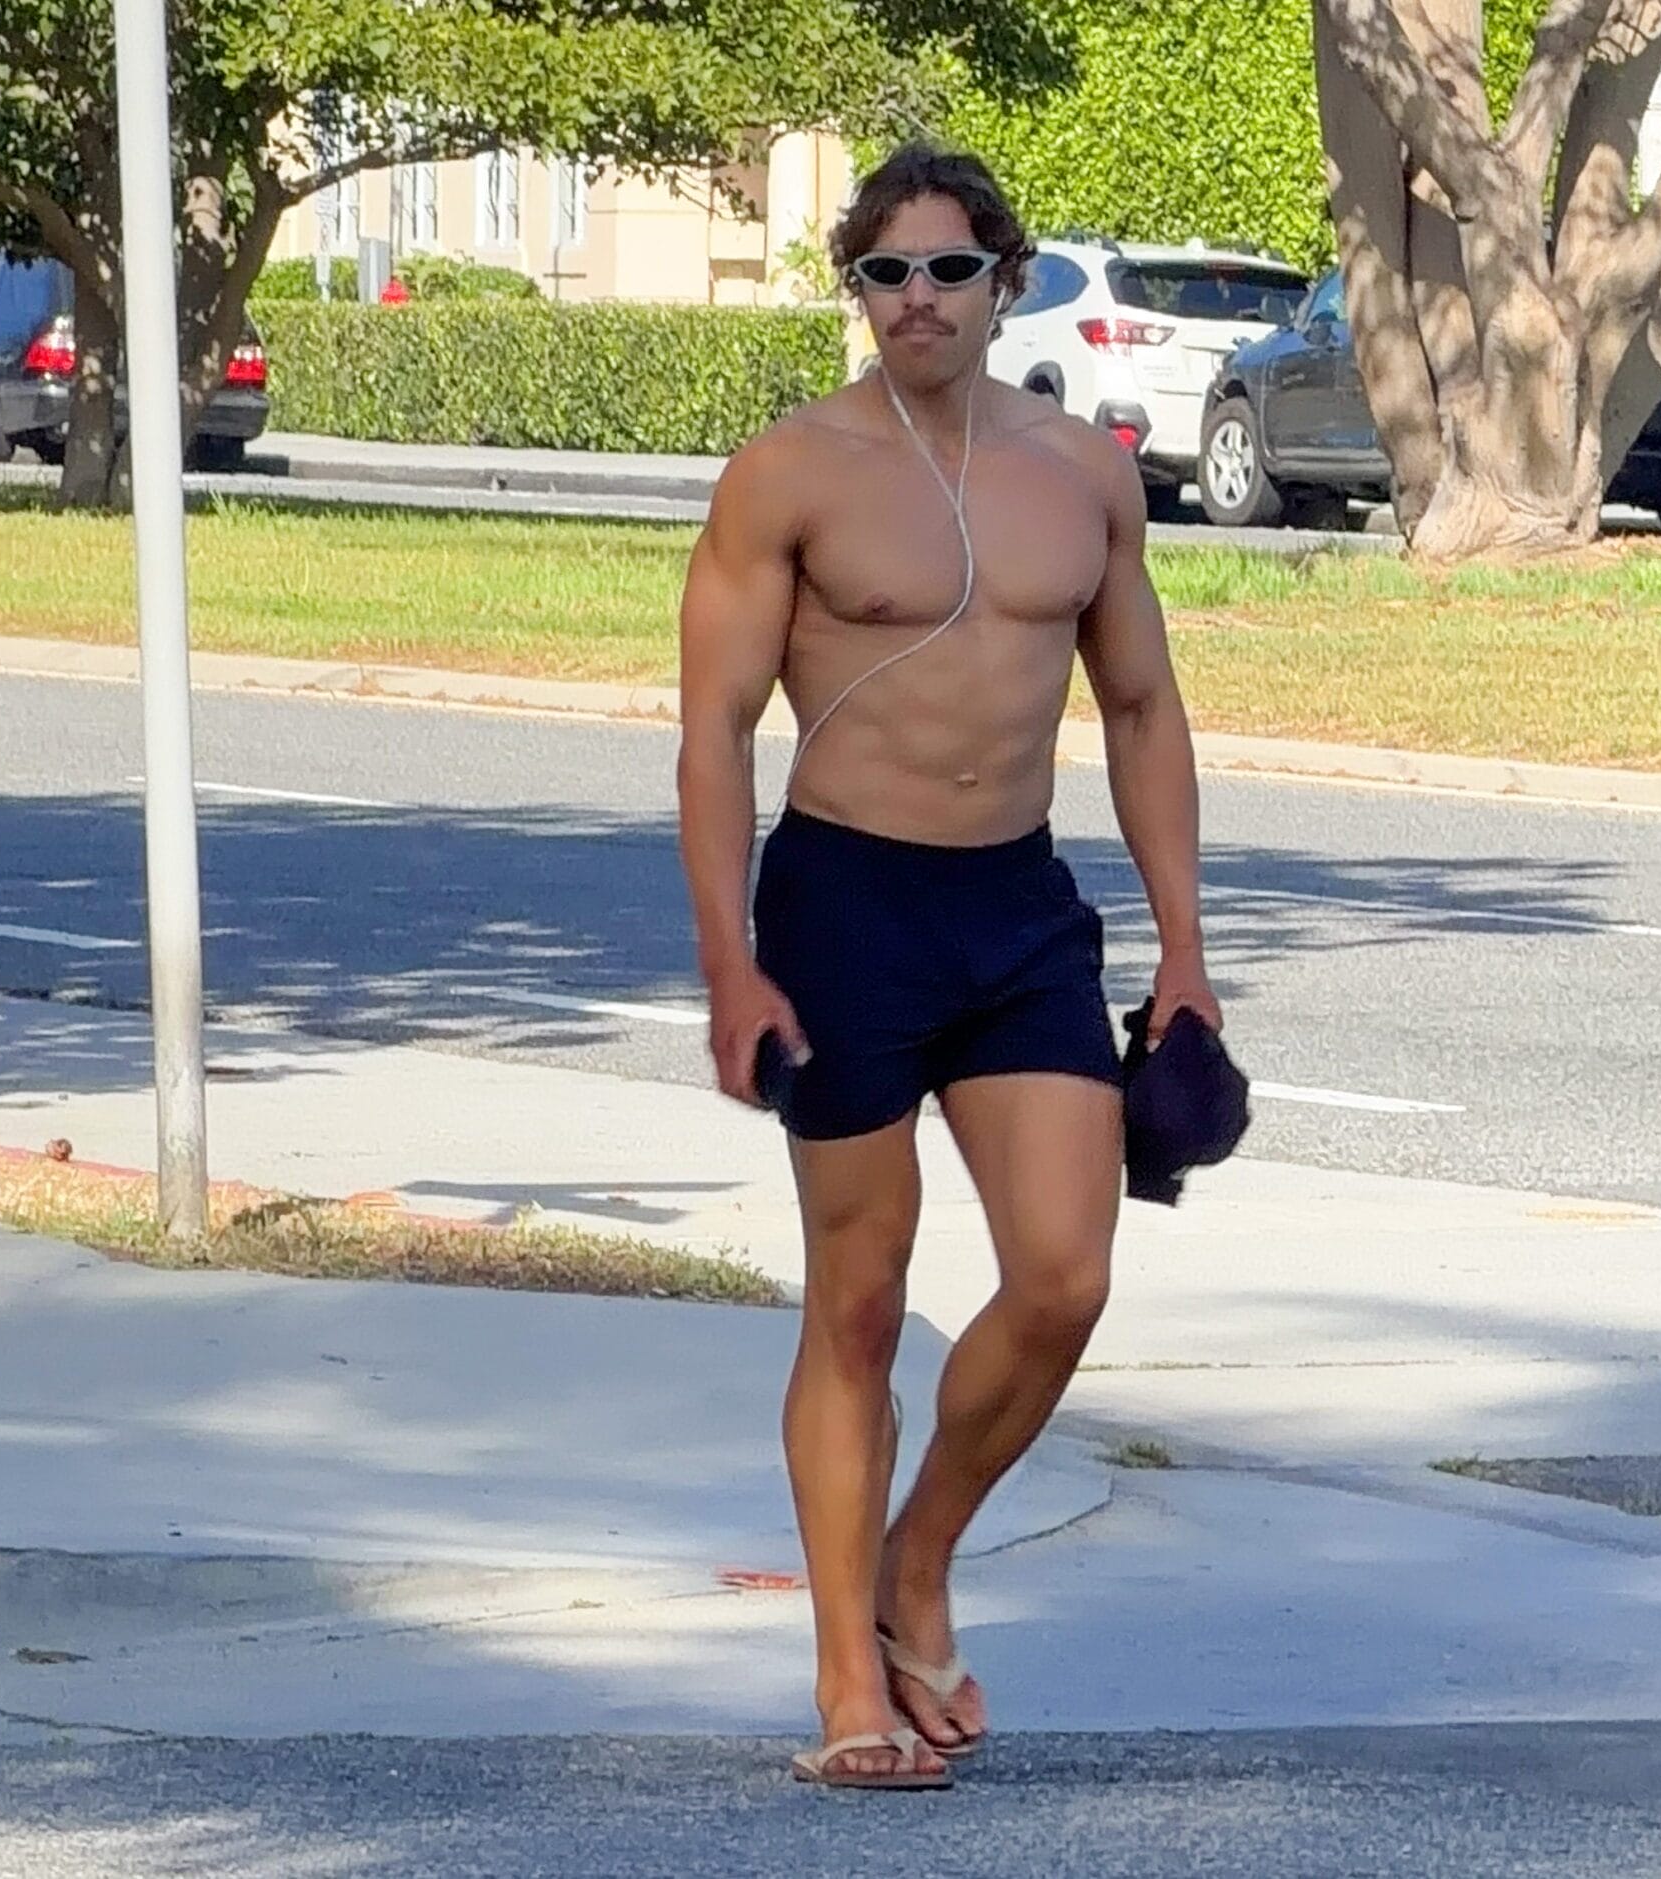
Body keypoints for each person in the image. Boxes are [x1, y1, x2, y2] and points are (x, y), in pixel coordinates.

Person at [675, 142, 1217, 1791]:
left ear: (1006, 283)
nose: (918, 300)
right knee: (858, 1295)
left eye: (950, 270)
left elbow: (1142, 709)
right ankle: (849, 1671)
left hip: (1017, 904)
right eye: (887, 272)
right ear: (858, 289)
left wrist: (1185, 953)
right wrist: (729, 963)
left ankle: (917, 1558)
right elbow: (714, 732)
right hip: (846, 905)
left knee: (1065, 1273)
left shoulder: (1084, 475)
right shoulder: (790, 473)